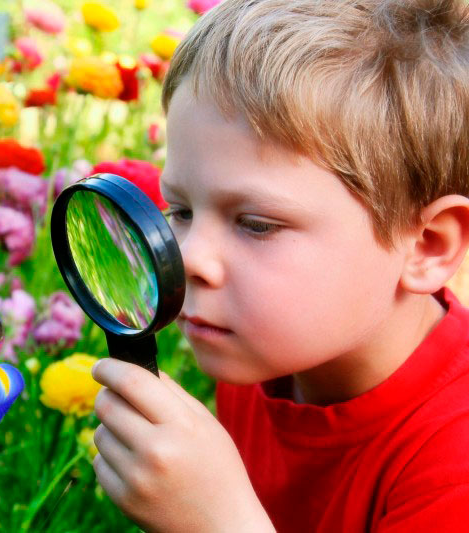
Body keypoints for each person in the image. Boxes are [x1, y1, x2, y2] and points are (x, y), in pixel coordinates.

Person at [90, 0, 469, 530]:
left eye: (257, 224)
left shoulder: (455, 470)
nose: (190, 257)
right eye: (180, 210)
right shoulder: (257, 354)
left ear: (427, 245)